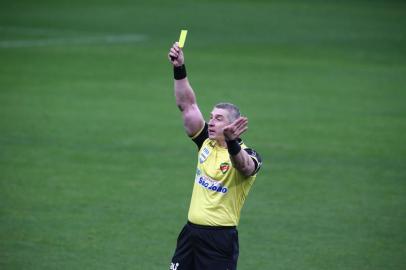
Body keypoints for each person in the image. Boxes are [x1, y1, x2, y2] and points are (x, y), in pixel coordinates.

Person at [167, 42, 262, 270]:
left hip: (219, 241)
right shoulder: (205, 143)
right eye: (212, 116)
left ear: (234, 125)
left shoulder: (248, 153)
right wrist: (179, 68)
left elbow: (246, 167)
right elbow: (187, 105)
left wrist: (231, 142)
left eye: (219, 118)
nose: (211, 122)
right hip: (190, 235)